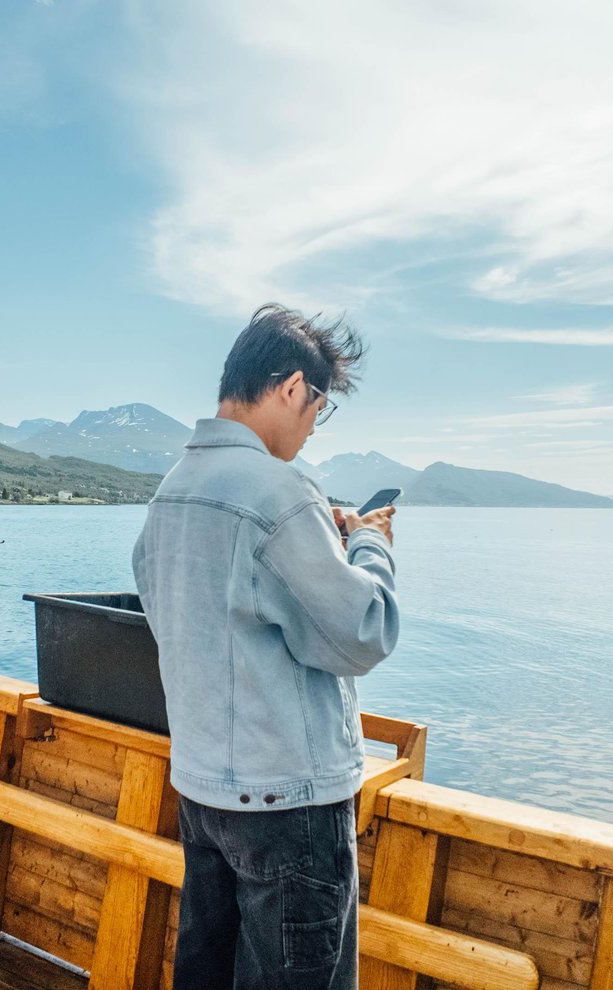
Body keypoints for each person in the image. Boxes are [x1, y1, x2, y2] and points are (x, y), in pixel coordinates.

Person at [132, 304, 399, 990]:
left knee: (206, 971)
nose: (313, 426)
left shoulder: (173, 491)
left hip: (203, 790)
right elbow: (364, 631)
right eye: (319, 407)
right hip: (289, 806)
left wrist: (320, 540)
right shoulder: (281, 491)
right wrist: (370, 545)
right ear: (290, 388)